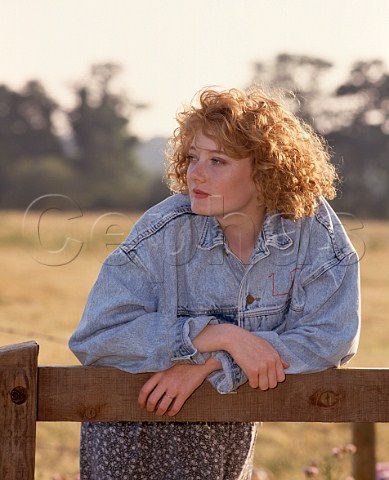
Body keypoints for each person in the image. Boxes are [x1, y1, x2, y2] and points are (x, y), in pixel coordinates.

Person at [69, 87, 361, 480]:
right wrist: (218, 335)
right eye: (192, 157)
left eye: (217, 160)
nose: (195, 173)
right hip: (132, 433)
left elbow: (332, 338)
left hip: (225, 434)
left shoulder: (312, 230)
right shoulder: (164, 231)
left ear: (264, 170)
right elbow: (97, 335)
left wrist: (213, 362)